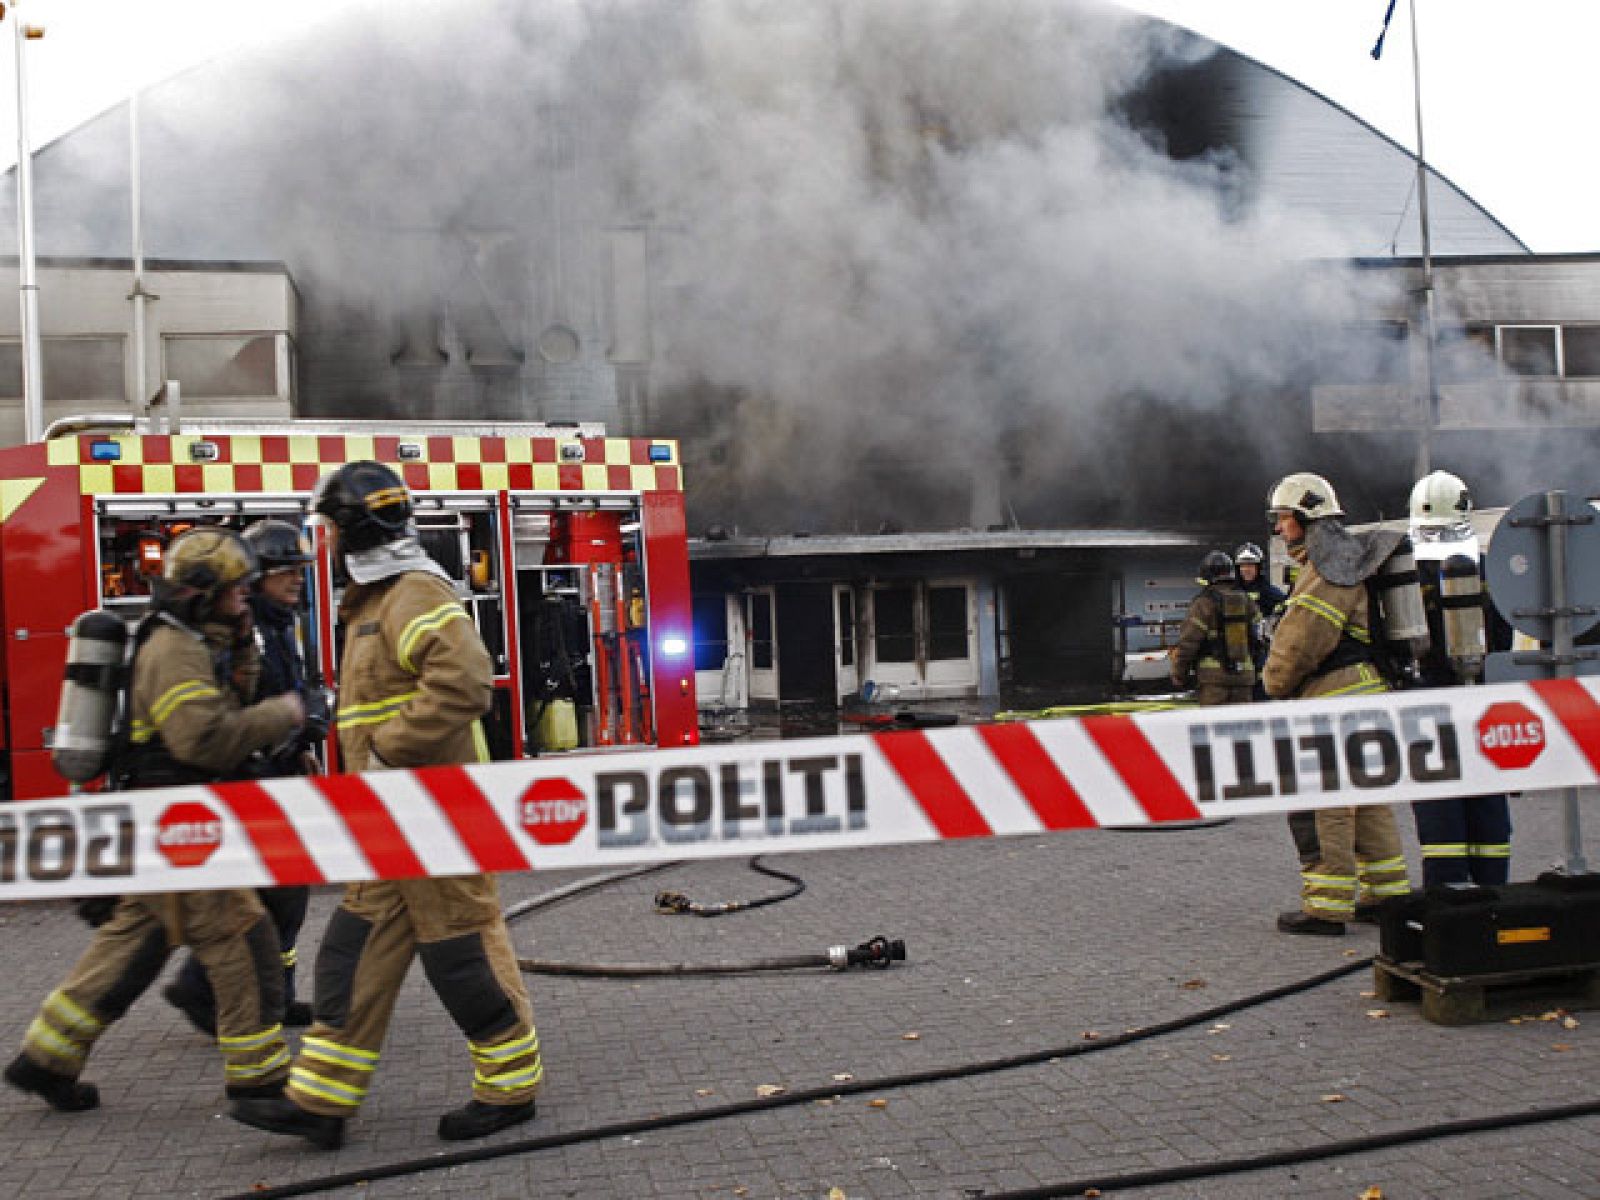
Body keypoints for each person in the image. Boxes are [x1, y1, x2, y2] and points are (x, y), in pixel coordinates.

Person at [232, 461, 542, 1151]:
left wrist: (388, 750)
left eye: (332, 529)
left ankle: (510, 1088)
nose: (326, 542)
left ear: (355, 530)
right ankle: (321, 1101)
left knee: (460, 955)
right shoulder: (372, 600)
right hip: (388, 821)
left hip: (434, 818)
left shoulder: (412, 594)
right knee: (352, 953)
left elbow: (464, 683)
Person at [4, 528, 305, 1112]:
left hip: (164, 820)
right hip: (178, 823)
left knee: (132, 941)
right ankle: (258, 1083)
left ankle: (46, 1058)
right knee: (243, 937)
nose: (245, 598)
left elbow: (222, 709)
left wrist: (241, 646)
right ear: (201, 593)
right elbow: (202, 739)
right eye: (236, 590)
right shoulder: (175, 649)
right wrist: (285, 713)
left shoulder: (197, 638)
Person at [164, 519, 328, 1035]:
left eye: (300, 571)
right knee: (259, 897)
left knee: (284, 893)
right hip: (249, 779)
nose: (297, 580)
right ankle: (200, 990)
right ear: (257, 579)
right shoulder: (244, 630)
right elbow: (251, 705)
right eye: (286, 572)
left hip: (279, 770)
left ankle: (278, 995)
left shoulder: (280, 622)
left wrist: (303, 746)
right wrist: (291, 721)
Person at [1262, 472, 1411, 935]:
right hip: (1365, 693)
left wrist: (1273, 682)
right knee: (1367, 800)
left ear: (1307, 520)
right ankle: (1386, 896)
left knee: (1325, 803)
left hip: (1333, 698)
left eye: (1284, 519)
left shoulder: (1326, 571)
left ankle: (1326, 906)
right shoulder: (1347, 561)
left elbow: (1300, 642)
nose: (1279, 529)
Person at [1406, 469, 1513, 887]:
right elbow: (1502, 639)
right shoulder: (1487, 569)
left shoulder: (1409, 575)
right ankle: (1494, 894)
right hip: (1482, 702)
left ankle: (1448, 906)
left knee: (1439, 807)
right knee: (1488, 799)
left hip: (1429, 703)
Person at [1169, 550, 1260, 705]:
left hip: (1213, 681)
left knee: (1215, 726)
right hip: (1244, 680)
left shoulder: (1203, 603)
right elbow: (1260, 637)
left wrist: (1179, 674)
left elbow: (1188, 644)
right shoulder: (1247, 601)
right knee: (1242, 726)